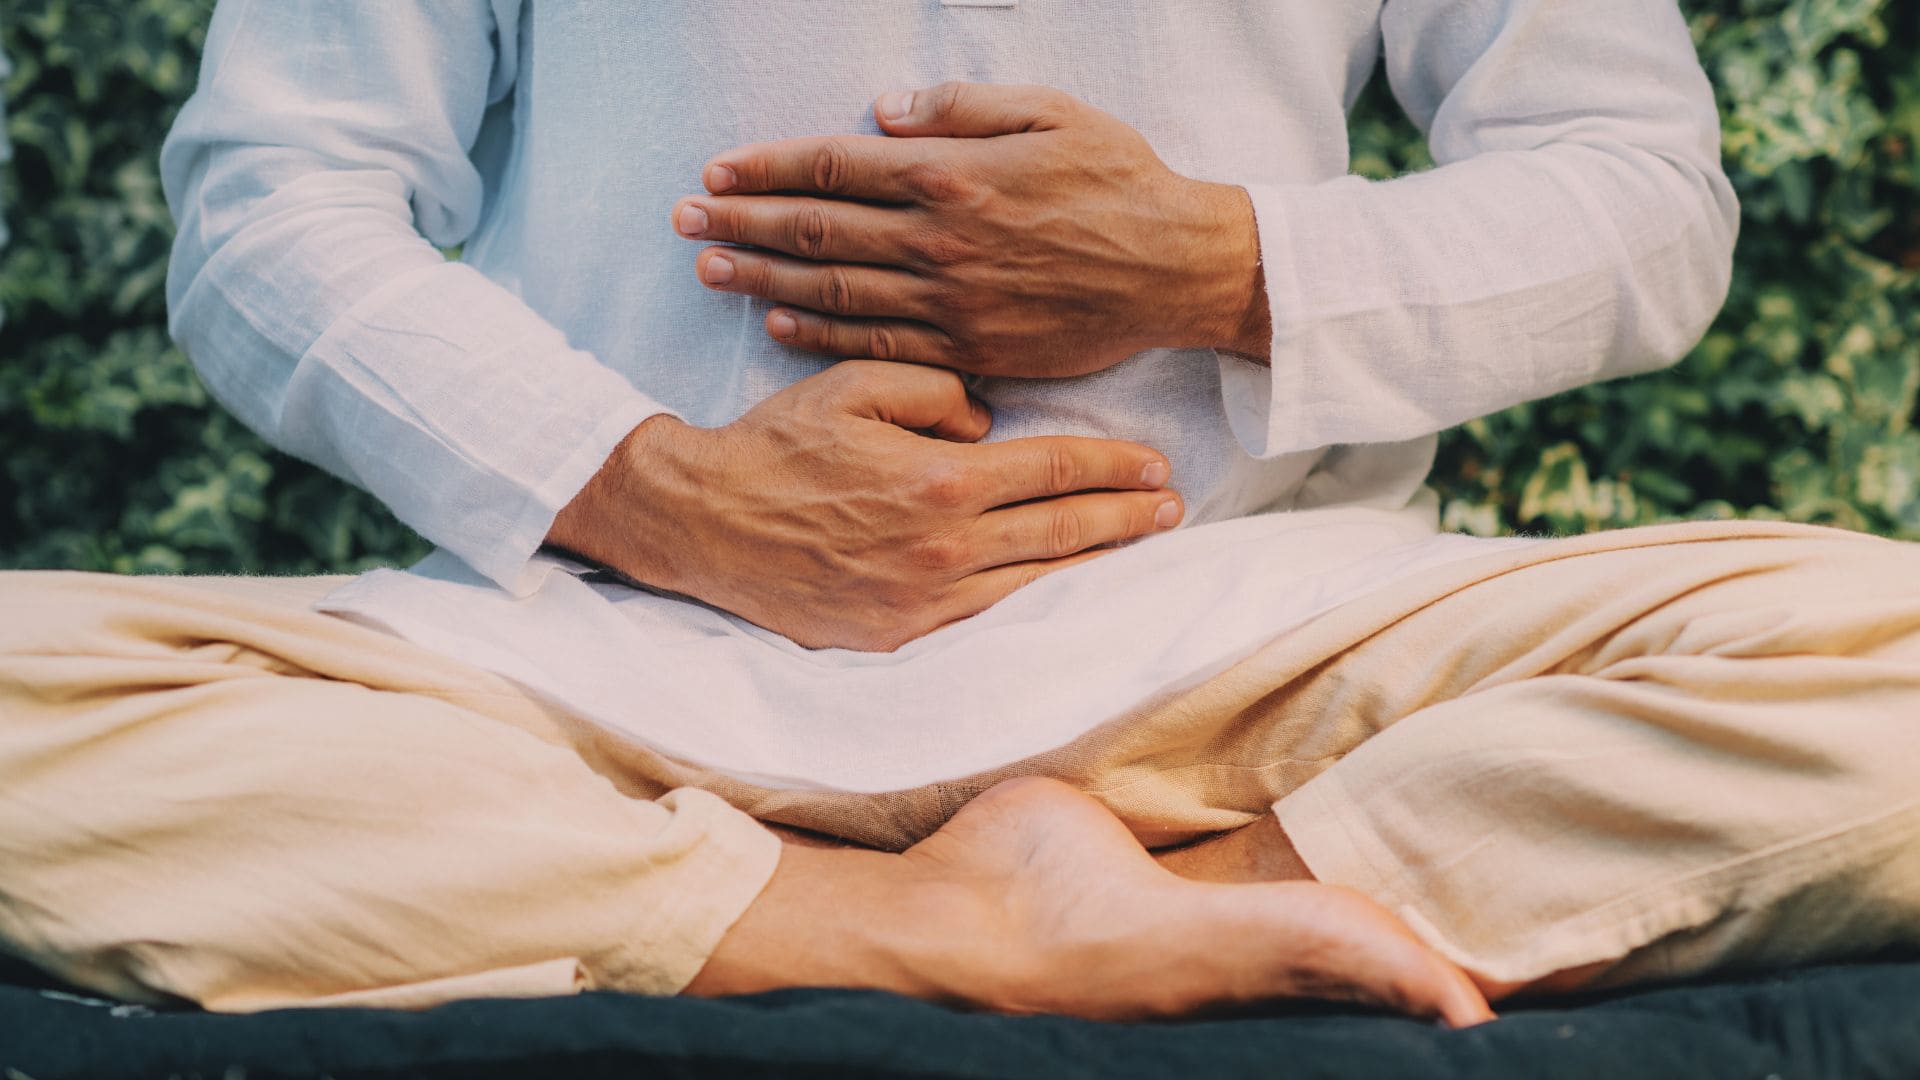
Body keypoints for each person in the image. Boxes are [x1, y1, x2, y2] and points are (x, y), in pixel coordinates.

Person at [2, 2, 1916, 1028]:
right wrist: (659, 494)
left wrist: (1222, 267)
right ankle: (938, 924)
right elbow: (270, 209)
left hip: (1249, 640)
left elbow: (1647, 197)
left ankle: (1186, 900)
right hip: (617, 667)